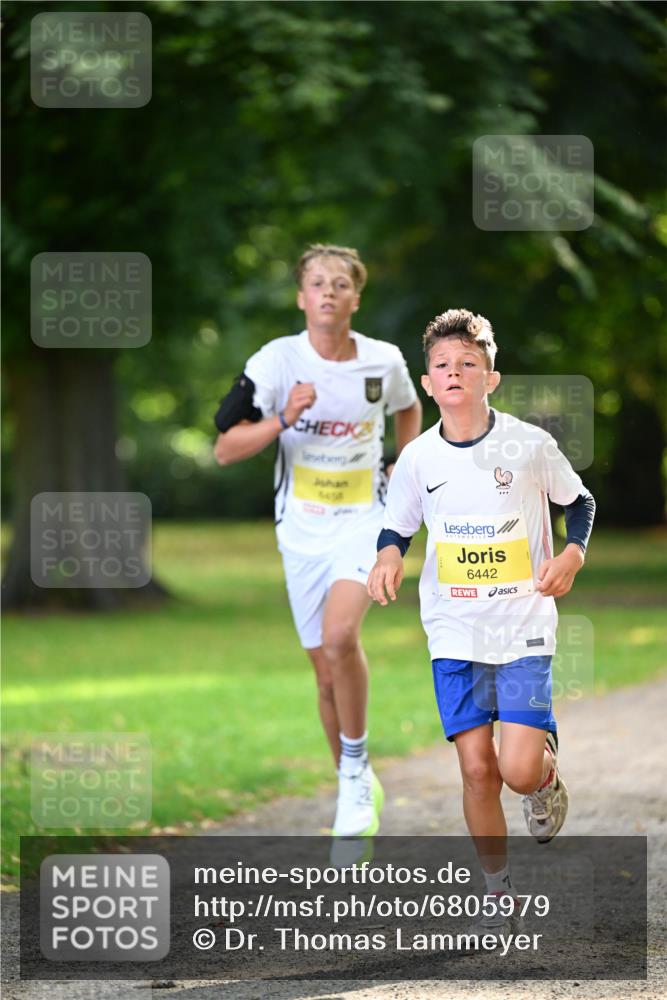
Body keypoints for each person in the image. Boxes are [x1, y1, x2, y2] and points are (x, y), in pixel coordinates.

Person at [367, 308, 595, 936]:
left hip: (522, 623)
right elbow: (398, 523)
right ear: (427, 382)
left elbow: (580, 503)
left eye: (469, 363)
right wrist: (388, 553)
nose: (455, 372)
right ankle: (497, 890)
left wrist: (572, 554)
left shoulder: (526, 444)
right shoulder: (416, 458)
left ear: (490, 377)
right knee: (475, 768)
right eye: (443, 365)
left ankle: (545, 778)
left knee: (516, 772)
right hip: (453, 629)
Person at [214, 244, 422, 839]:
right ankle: (353, 786)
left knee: (340, 638)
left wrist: (398, 468)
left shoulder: (383, 361)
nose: (328, 291)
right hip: (300, 531)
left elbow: (409, 411)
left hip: (364, 520)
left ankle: (355, 773)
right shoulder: (276, 362)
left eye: (340, 284)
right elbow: (225, 448)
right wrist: (283, 418)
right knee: (325, 672)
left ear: (356, 298)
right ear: (302, 297)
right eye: (317, 283)